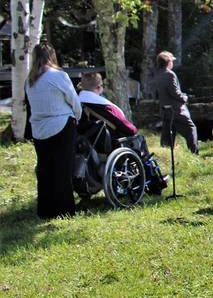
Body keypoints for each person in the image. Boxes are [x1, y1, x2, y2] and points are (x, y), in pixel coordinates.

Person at [25, 43, 81, 219]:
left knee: (45, 170)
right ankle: (64, 210)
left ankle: (45, 210)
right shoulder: (59, 76)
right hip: (61, 124)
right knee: (63, 170)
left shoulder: (30, 80)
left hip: (39, 129)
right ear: (52, 56)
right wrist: (77, 116)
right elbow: (74, 101)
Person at [156, 50, 199, 154]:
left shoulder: (158, 74)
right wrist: (185, 97)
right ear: (168, 62)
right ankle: (194, 153)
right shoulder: (170, 74)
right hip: (176, 110)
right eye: (171, 61)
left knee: (168, 134)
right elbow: (175, 93)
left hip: (165, 110)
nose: (172, 63)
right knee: (191, 129)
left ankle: (165, 155)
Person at [78, 72, 137, 137]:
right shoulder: (107, 107)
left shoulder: (77, 105)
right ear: (99, 87)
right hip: (111, 143)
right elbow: (130, 130)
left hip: (85, 143)